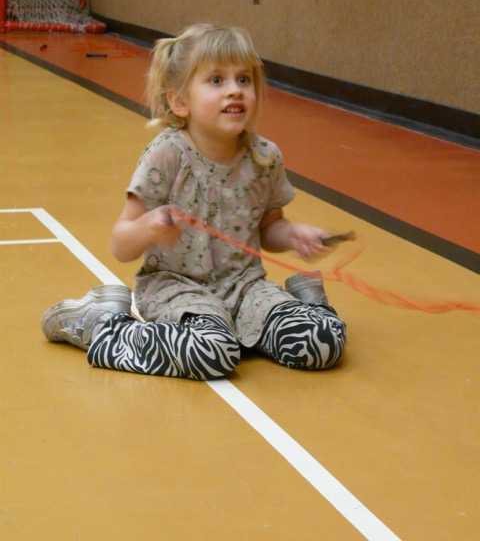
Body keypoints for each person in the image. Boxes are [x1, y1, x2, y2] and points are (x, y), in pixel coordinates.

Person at [41, 23, 346, 381]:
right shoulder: (167, 155)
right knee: (213, 352)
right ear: (180, 102)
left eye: (244, 79)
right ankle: (103, 324)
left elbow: (270, 227)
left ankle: (309, 309)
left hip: (245, 288)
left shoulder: (264, 156)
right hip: (177, 290)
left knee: (323, 342)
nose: (234, 90)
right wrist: (149, 226)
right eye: (216, 80)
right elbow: (120, 244)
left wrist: (294, 235)